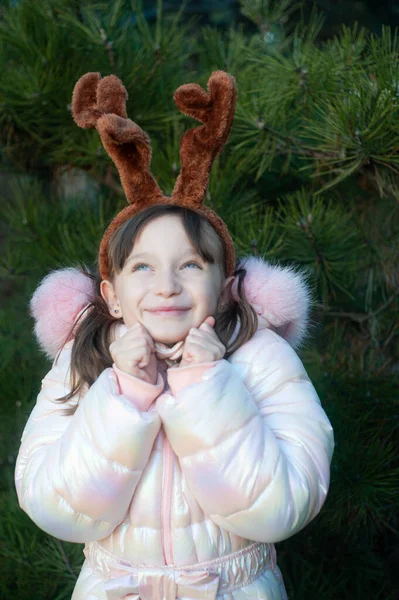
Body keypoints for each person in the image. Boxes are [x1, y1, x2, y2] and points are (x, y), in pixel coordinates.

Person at [15, 70, 334, 600]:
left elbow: (283, 507)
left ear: (228, 287)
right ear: (111, 294)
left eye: (190, 265)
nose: (166, 286)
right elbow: (55, 507)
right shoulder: (84, 360)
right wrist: (122, 393)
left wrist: (209, 386)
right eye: (142, 268)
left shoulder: (262, 360)